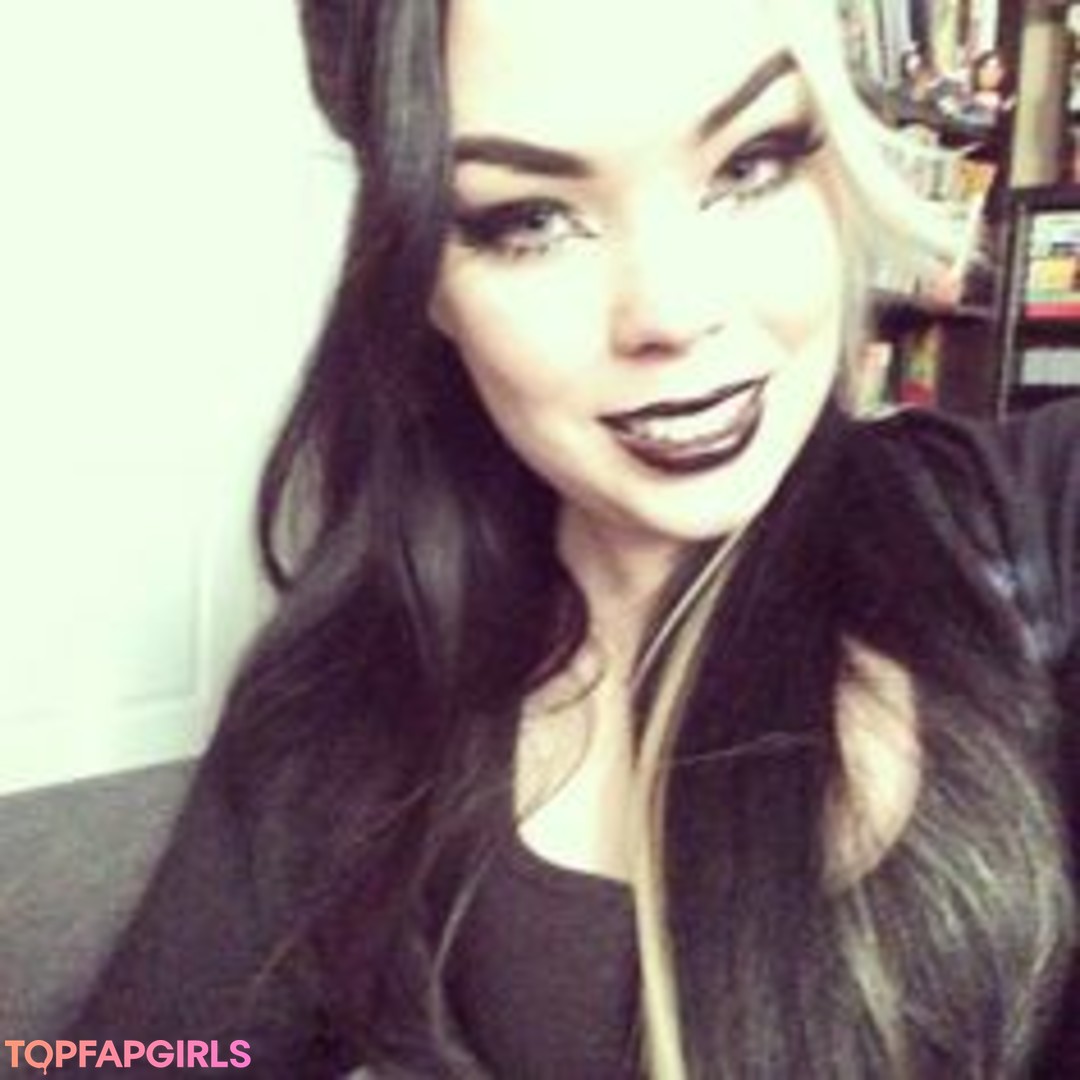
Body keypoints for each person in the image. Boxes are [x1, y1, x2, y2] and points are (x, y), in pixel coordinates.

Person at [71, 0, 1079, 1076]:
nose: (673, 312)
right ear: (422, 277)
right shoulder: (350, 704)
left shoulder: (1031, 522)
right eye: (532, 219)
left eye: (750, 166)